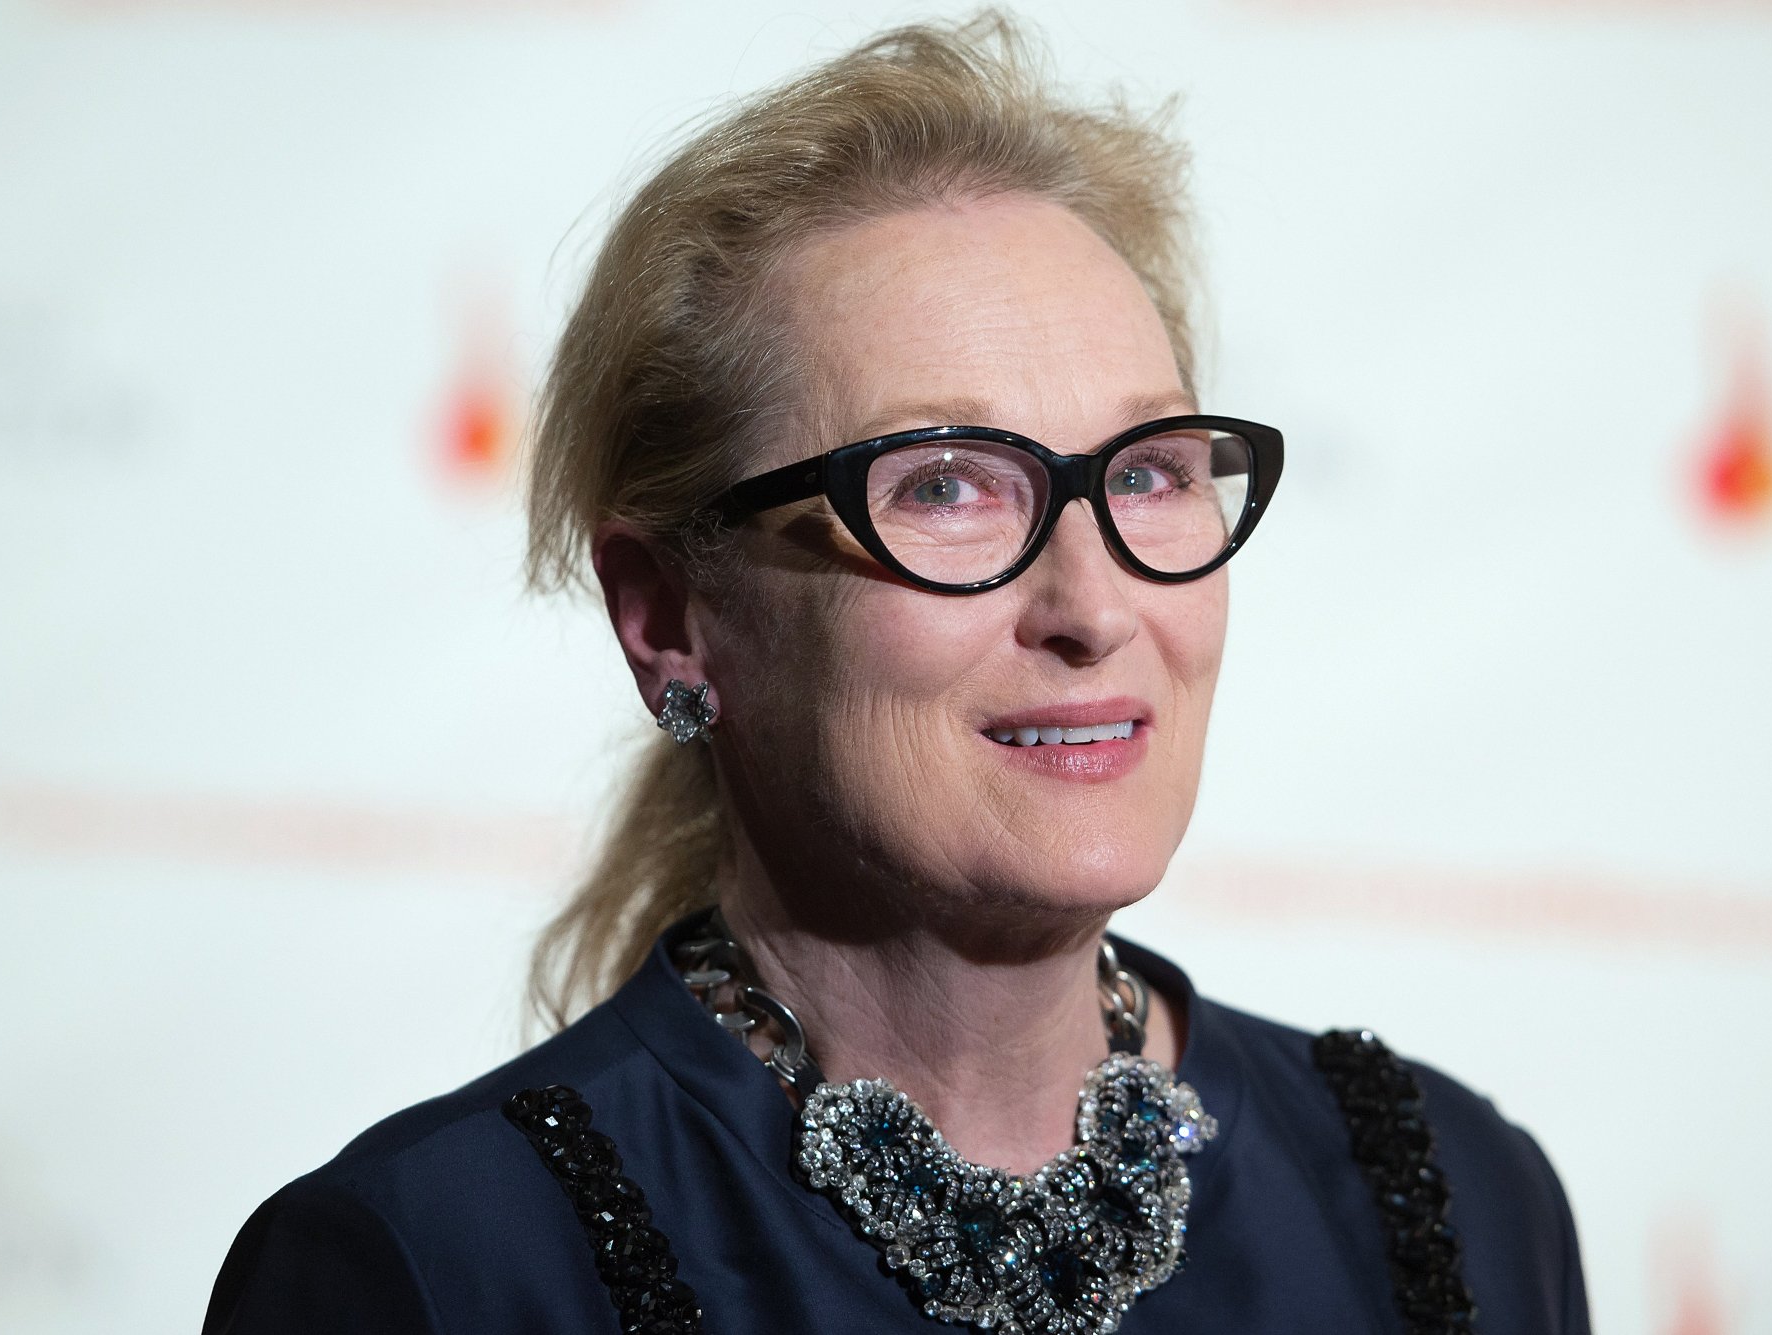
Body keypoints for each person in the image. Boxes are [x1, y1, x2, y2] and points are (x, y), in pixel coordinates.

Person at [203, 13, 1591, 1334]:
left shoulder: (1457, 1203)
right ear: (670, 616)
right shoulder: (435, 1272)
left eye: (1151, 472)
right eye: (943, 487)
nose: (1093, 604)